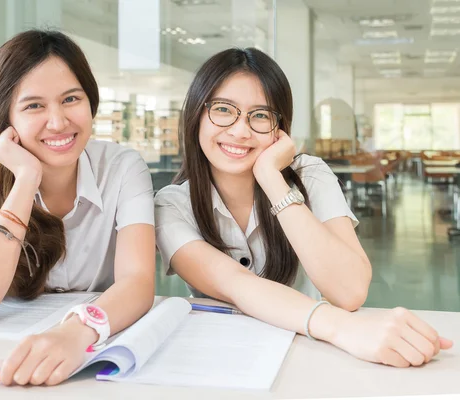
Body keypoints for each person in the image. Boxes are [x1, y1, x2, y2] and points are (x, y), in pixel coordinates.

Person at [155, 47, 453, 368]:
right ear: (196, 115)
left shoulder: (309, 174)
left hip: (308, 353)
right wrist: (344, 327)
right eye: (224, 110)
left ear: (279, 127)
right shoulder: (172, 205)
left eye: (260, 115)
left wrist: (271, 178)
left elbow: (349, 291)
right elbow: (236, 284)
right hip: (216, 357)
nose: (240, 130)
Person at [0, 30, 155, 386]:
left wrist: (77, 332)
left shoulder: (123, 168)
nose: (58, 122)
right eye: (34, 106)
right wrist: (26, 180)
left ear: (91, 103)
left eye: (70, 99)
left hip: (91, 357)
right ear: (5, 121)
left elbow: (138, 282)